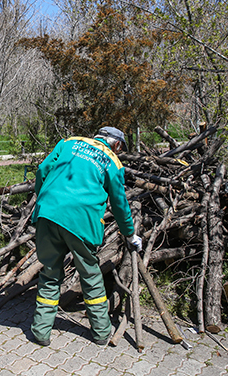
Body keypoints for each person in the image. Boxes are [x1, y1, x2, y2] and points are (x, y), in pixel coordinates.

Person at [29, 126, 142, 346]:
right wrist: (130, 234)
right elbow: (119, 204)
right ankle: (101, 333)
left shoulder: (68, 142)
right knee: (90, 275)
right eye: (120, 149)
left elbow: (43, 170)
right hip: (82, 220)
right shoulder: (112, 161)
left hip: (48, 214)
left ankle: (41, 332)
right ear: (116, 144)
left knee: (50, 272)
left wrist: (44, 199)